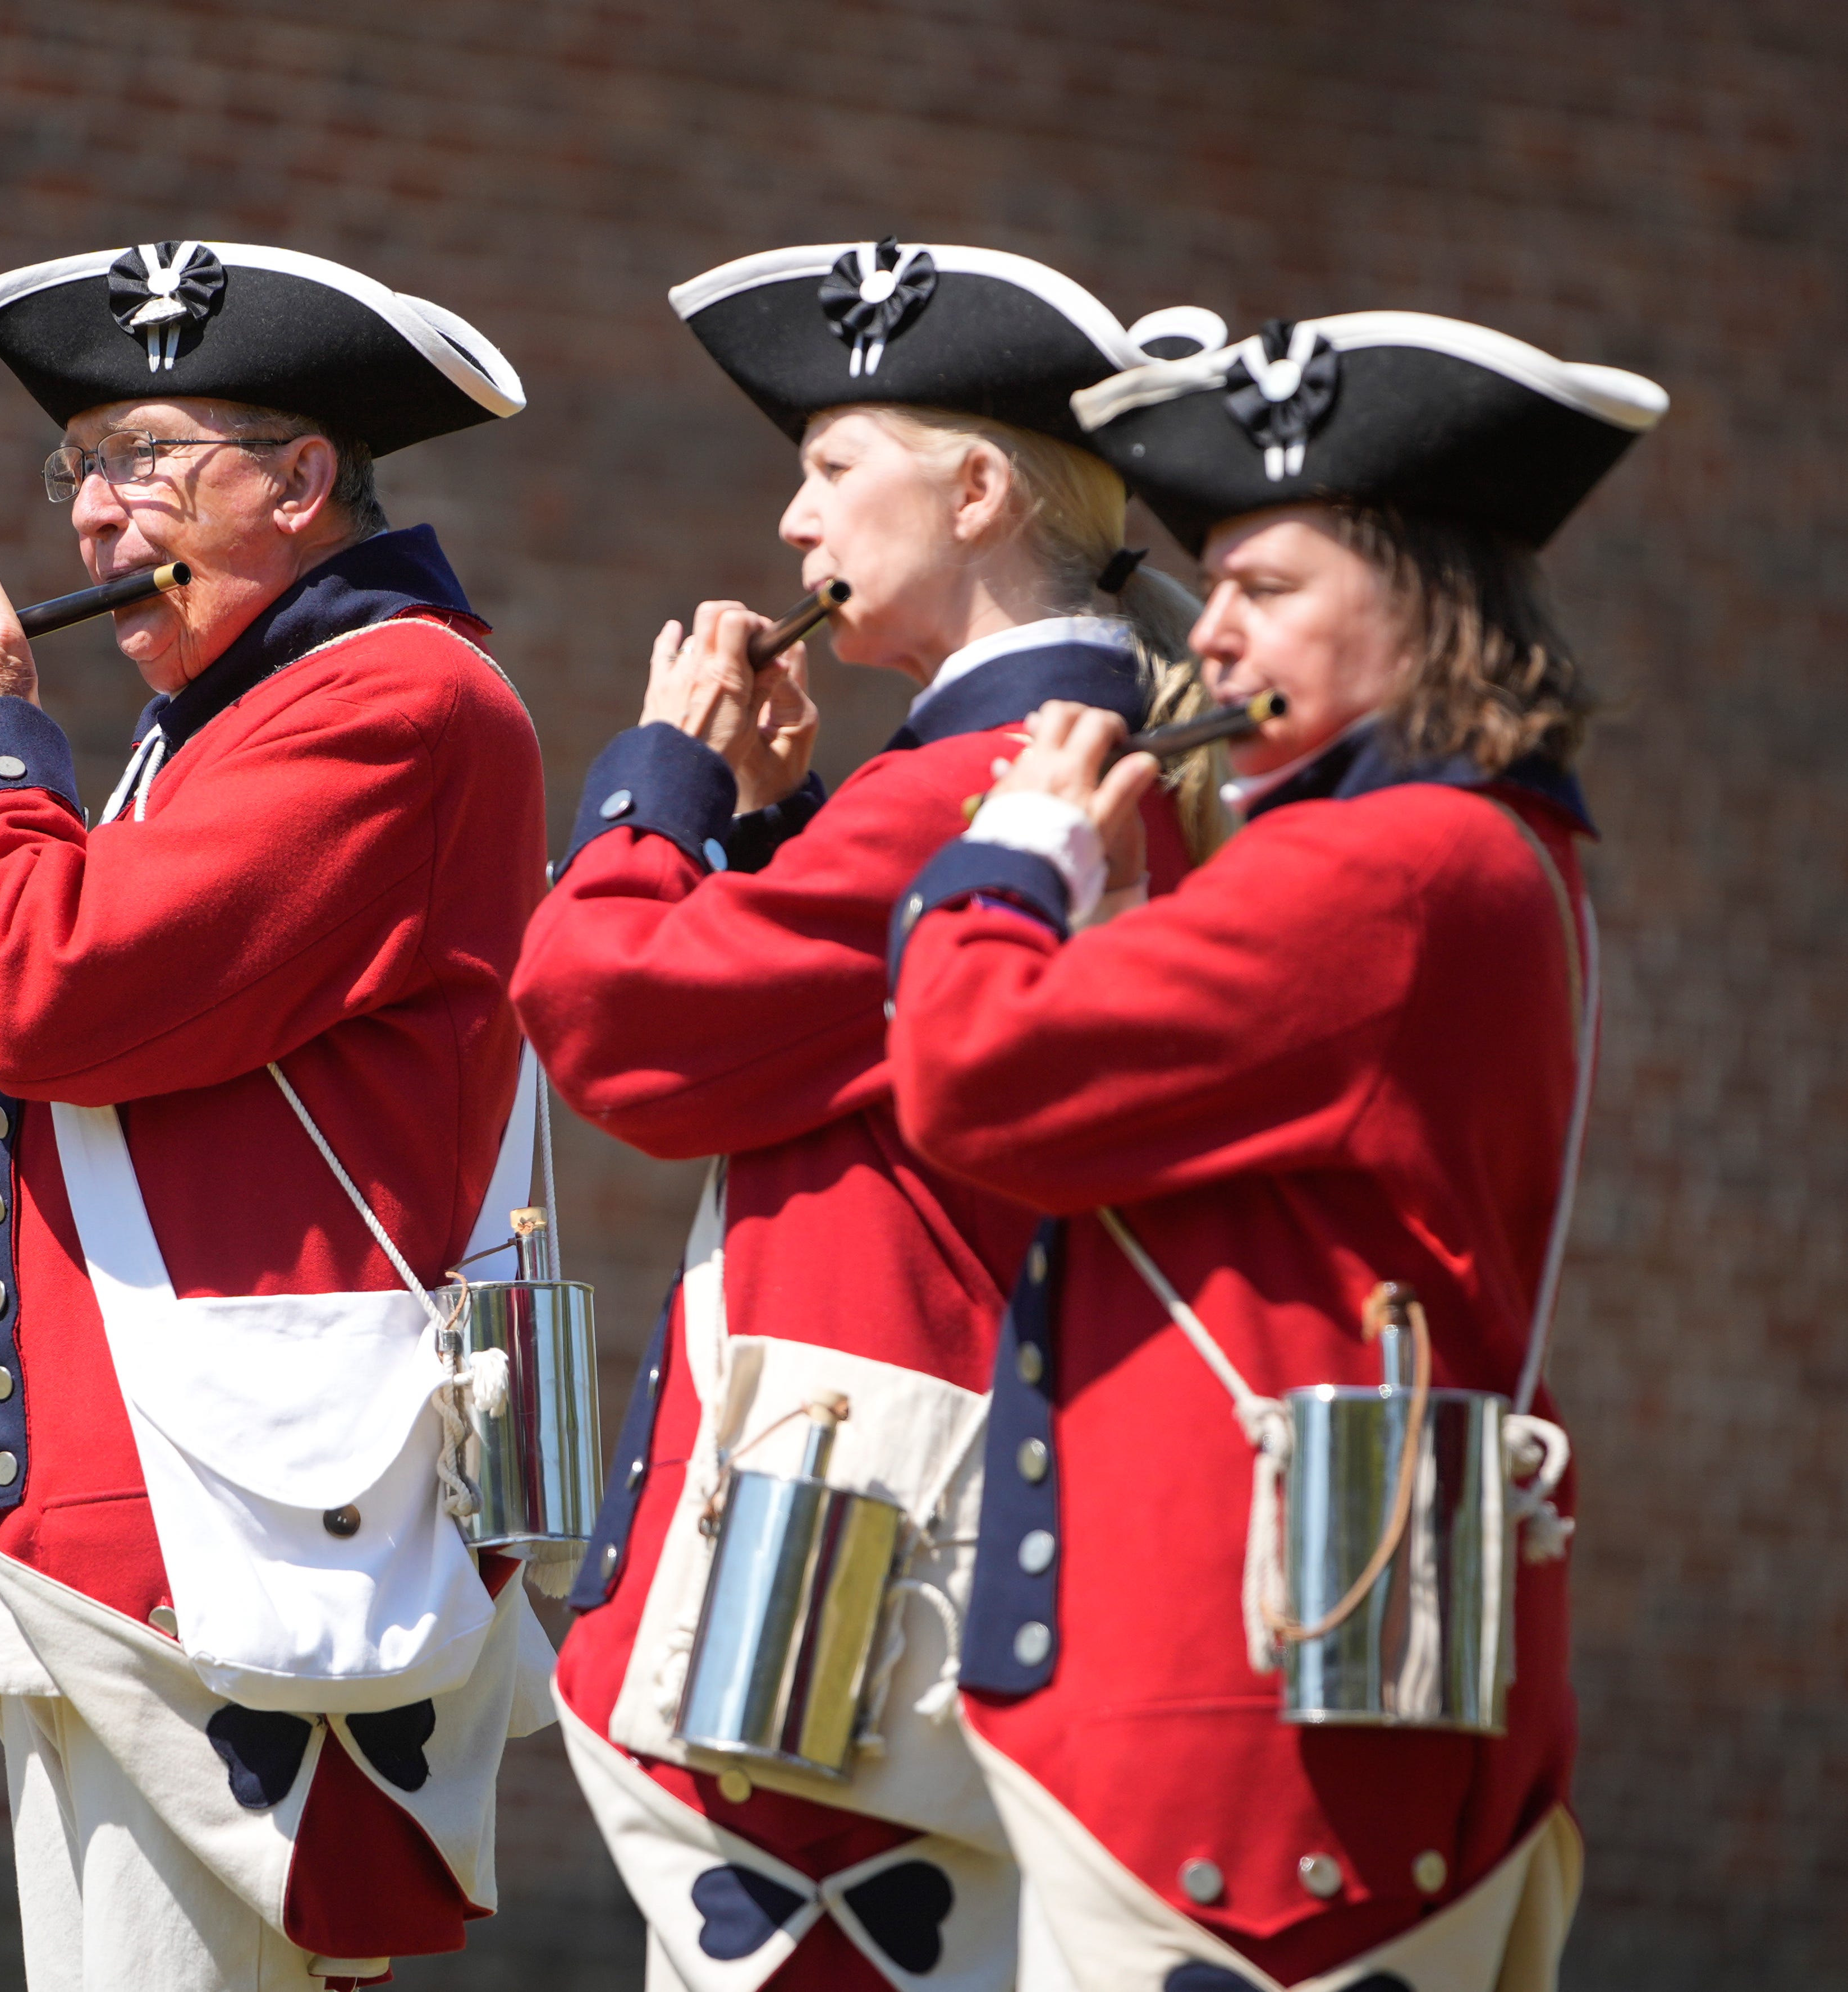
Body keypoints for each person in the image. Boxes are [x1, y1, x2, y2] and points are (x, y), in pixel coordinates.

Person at [884, 313, 1667, 1989]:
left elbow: (965, 1071)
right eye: (1216, 582)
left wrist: (1011, 854)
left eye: (1269, 584)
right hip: (1258, 1710)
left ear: (1425, 604)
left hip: (1242, 1758)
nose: (1214, 627)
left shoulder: (1388, 861)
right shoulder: (1454, 845)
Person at [0, 240, 548, 1990]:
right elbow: (30, 1063)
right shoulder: (223, 722)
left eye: (141, 458)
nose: (93, 512)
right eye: (77, 467)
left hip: (234, 1516)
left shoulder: (395, 692)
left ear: (299, 481)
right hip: (142, 1505)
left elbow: (47, 994)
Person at [512, 237, 1217, 1991]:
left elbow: (610, 1013)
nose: (791, 523)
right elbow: (815, 1051)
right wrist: (777, 821)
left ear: (974, 493)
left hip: (866, 1545)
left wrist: (660, 776)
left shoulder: (985, 775)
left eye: (832, 468)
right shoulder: (1009, 765)